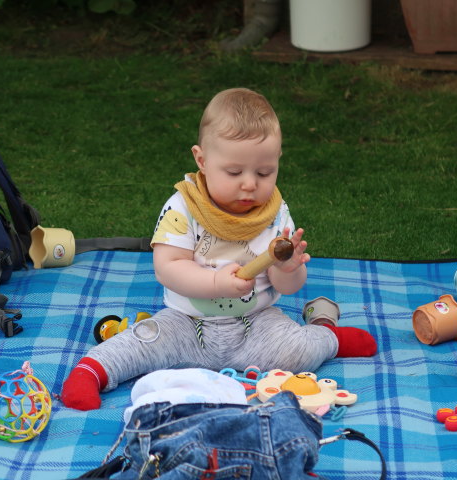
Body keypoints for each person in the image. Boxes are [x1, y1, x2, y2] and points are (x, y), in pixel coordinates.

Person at [61, 88, 377, 410]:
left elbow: (288, 288)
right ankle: (92, 372)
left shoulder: (275, 213)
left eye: (264, 172)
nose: (250, 184)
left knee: (296, 353)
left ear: (277, 161)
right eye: (234, 172)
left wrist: (288, 269)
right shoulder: (183, 207)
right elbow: (167, 267)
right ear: (202, 159)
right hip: (188, 321)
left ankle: (327, 335)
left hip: (256, 322)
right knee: (144, 341)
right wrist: (215, 284)